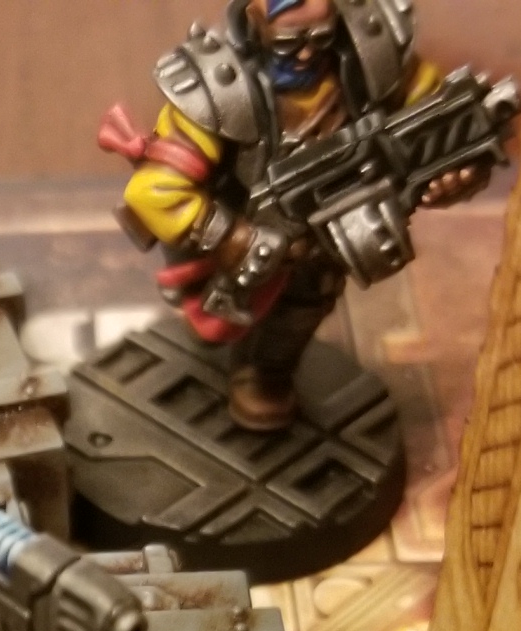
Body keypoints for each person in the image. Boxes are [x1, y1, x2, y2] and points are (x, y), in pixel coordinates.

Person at [117, 0, 488, 430]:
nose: (307, 54)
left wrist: (453, 174)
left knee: (304, 307)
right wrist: (232, 236)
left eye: (320, 37)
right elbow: (153, 190)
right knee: (214, 320)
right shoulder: (218, 88)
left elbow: (435, 119)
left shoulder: (373, 55)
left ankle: (265, 373)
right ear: (254, 22)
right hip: (245, 223)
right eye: (289, 43)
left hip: (337, 221)